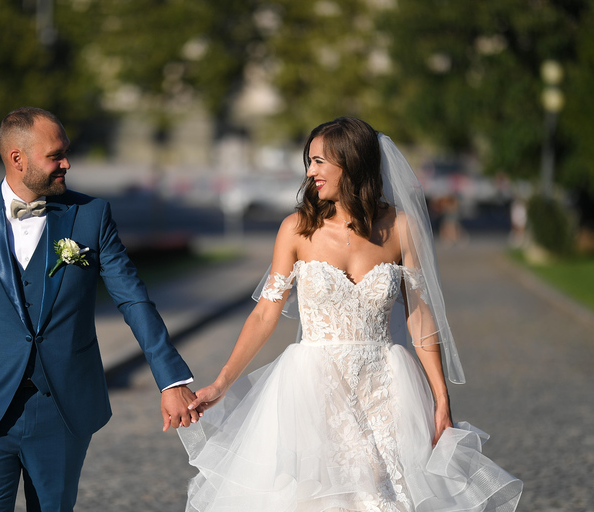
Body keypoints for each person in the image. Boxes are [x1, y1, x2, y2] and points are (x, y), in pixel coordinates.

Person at [179, 117, 522, 511]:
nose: (310, 171)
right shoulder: (296, 230)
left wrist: (441, 401)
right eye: (309, 161)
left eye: (320, 161)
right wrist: (220, 385)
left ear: (352, 163)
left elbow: (422, 320)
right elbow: (263, 316)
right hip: (311, 388)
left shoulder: (400, 227)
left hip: (386, 387)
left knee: (387, 493)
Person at [0, 107, 199, 511]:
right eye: (55, 156)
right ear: (17, 158)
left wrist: (170, 379)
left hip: (61, 411)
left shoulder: (90, 216)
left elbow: (133, 297)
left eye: (66, 152)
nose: (66, 163)